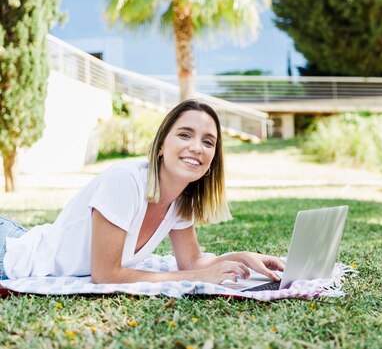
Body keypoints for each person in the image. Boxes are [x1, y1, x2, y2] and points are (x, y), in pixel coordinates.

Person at [0, 99, 284, 284]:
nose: (197, 147)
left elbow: (193, 260)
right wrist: (197, 277)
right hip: (10, 255)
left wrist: (243, 257)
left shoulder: (180, 202)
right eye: (185, 134)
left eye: (208, 142)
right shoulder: (124, 181)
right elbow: (106, 275)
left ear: (212, 161)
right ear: (161, 146)